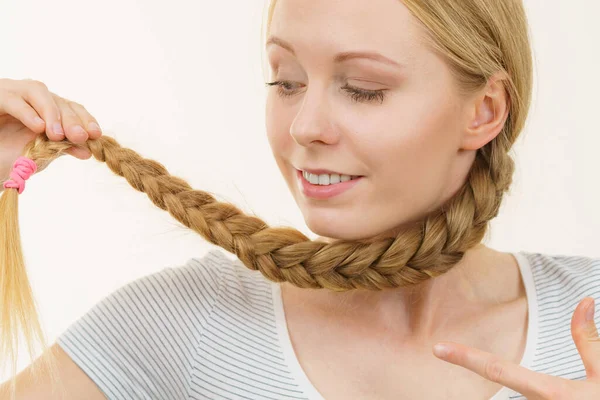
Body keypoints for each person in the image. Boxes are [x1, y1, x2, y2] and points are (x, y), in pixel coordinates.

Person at [1, 0, 599, 399]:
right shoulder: (182, 323)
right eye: (285, 81)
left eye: (364, 90)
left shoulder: (590, 319)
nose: (304, 127)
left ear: (485, 111)